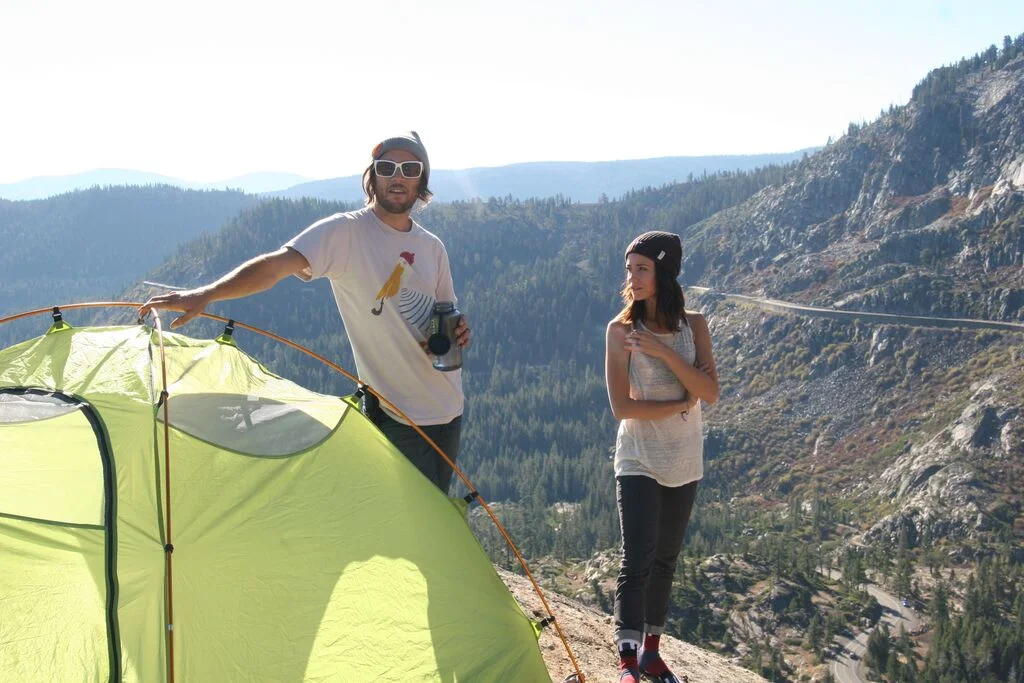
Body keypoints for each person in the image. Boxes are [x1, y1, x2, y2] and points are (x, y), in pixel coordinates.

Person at [140, 131, 470, 494]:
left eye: (409, 169)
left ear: (421, 180)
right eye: (387, 167)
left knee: (433, 514)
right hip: (396, 414)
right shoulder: (345, 232)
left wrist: (456, 331)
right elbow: (275, 266)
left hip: (449, 407)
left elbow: (444, 313)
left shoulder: (432, 248)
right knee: (404, 518)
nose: (398, 176)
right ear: (372, 176)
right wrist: (208, 293)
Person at [603, 230, 719, 683]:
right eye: (629, 269)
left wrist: (663, 352)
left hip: (684, 459)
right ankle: (627, 661)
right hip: (638, 456)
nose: (632, 278)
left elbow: (709, 392)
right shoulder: (620, 331)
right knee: (638, 558)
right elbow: (622, 407)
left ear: (665, 272)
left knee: (666, 559)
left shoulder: (696, 325)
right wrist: (678, 403)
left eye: (642, 269)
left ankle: (651, 654)